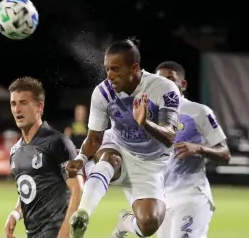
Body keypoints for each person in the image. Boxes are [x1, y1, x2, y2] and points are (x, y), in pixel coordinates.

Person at [67, 39, 181, 238]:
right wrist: (81, 159)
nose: (109, 76)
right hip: (118, 146)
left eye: (115, 69)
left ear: (134, 68)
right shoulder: (103, 92)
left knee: (149, 225)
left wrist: (145, 123)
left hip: (150, 164)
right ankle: (83, 214)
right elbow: (94, 139)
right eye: (106, 69)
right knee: (110, 159)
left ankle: (125, 223)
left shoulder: (164, 89)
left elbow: (170, 137)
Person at [154, 61, 231, 238]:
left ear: (183, 84)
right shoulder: (150, 117)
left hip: (190, 196)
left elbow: (225, 154)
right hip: (162, 201)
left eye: (171, 79)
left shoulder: (198, 111)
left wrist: (198, 148)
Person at [5, 77, 84, 238]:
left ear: (39, 106)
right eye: (14, 104)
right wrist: (15, 214)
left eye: (24, 103)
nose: (17, 109)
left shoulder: (58, 142)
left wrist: (65, 233)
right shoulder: (15, 151)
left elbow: (77, 189)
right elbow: (30, 191)